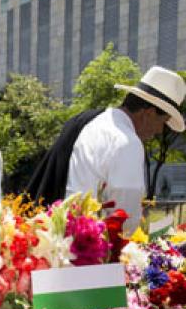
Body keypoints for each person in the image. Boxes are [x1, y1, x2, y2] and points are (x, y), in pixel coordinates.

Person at [27, 66, 186, 233]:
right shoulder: (127, 142)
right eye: (162, 121)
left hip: (63, 233)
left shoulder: (95, 123)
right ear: (148, 113)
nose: (160, 131)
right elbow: (125, 220)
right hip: (92, 246)